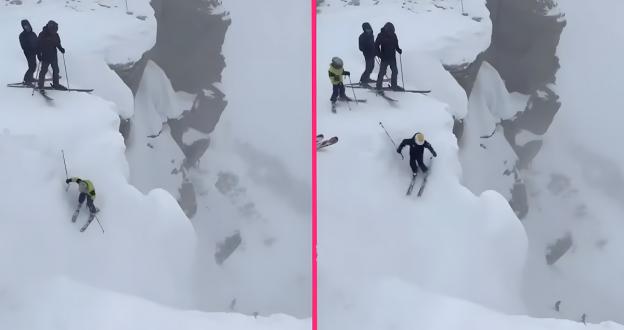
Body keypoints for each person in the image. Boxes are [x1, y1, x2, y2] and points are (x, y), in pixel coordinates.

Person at [37, 20, 66, 92]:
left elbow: (57, 44)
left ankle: (56, 84)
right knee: (43, 71)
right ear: (50, 28)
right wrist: (38, 55)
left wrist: (61, 49)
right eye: (55, 29)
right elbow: (38, 46)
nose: (56, 31)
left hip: (53, 56)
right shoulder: (42, 34)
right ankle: (40, 86)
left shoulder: (55, 35)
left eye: (56, 29)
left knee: (56, 70)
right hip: (45, 56)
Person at [375, 22, 403, 92]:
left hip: (392, 58)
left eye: (392, 31)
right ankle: (378, 87)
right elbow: (376, 45)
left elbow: (396, 44)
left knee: (395, 71)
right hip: (384, 58)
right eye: (390, 31)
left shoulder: (394, 35)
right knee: (382, 72)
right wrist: (379, 54)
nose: (391, 32)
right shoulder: (381, 35)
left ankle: (394, 86)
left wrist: (398, 49)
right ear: (386, 29)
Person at [19, 19, 38, 85]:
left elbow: (37, 42)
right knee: (32, 67)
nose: (26, 27)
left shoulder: (33, 34)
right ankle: (26, 80)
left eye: (27, 25)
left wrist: (38, 50)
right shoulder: (22, 35)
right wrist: (32, 49)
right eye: (25, 26)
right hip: (28, 53)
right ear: (23, 27)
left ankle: (30, 78)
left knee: (34, 66)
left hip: (34, 52)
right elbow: (23, 46)